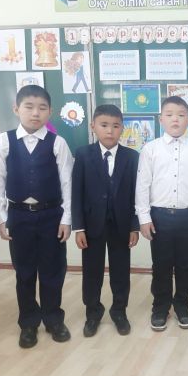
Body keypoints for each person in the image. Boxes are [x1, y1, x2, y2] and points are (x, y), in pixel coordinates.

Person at [0, 85, 73, 348]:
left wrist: (66, 219)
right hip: (19, 216)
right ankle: (28, 323)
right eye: (29, 107)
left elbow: (68, 183)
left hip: (51, 215)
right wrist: (2, 219)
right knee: (24, 272)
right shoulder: (4, 141)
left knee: (53, 270)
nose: (36, 113)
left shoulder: (58, 143)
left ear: (50, 112)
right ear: (16, 109)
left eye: (42, 108)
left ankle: (53, 319)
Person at [135, 96, 188, 331]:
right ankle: (160, 307)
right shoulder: (150, 149)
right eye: (169, 115)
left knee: (186, 264)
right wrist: (144, 218)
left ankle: (182, 305)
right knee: (161, 265)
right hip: (160, 217)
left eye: (180, 115)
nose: (175, 119)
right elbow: (142, 186)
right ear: (161, 119)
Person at [72, 104, 139, 338]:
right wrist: (78, 227)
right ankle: (93, 312)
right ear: (93, 126)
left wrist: (134, 226)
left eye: (115, 126)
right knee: (92, 271)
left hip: (121, 225)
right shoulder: (83, 154)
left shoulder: (132, 157)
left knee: (121, 271)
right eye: (104, 125)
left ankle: (119, 311)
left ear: (122, 128)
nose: (109, 130)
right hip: (92, 226)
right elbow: (76, 193)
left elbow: (136, 194)